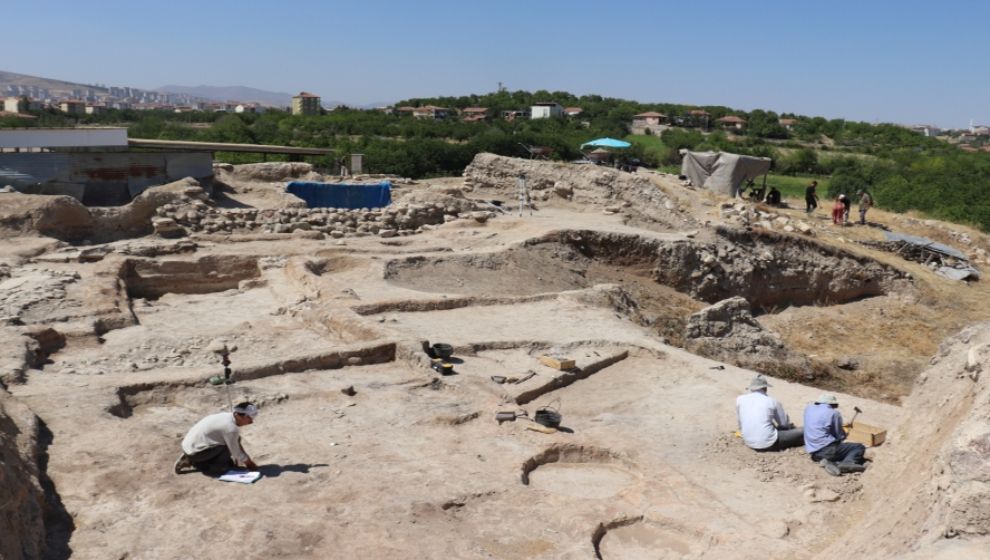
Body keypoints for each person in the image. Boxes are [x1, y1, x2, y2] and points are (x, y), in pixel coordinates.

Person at [175, 402, 260, 476]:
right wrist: (249, 464)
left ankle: (190, 458)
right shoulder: (230, 428)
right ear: (239, 415)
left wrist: (246, 459)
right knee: (226, 447)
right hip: (196, 452)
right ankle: (209, 466)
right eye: (249, 418)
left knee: (234, 440)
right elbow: (235, 452)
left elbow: (236, 443)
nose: (251, 422)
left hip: (188, 446)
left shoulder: (226, 416)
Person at [736, 375, 804, 452]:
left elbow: (740, 422)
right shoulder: (772, 401)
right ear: (765, 388)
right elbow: (783, 425)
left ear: (751, 388)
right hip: (769, 443)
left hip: (748, 441)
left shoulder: (740, 399)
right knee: (802, 431)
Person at [803, 394, 866, 476]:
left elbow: (820, 426)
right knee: (858, 447)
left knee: (833, 446)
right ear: (833, 404)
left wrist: (840, 426)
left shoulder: (809, 409)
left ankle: (830, 462)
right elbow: (839, 437)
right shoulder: (834, 413)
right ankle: (847, 463)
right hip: (826, 451)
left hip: (814, 453)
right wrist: (845, 432)